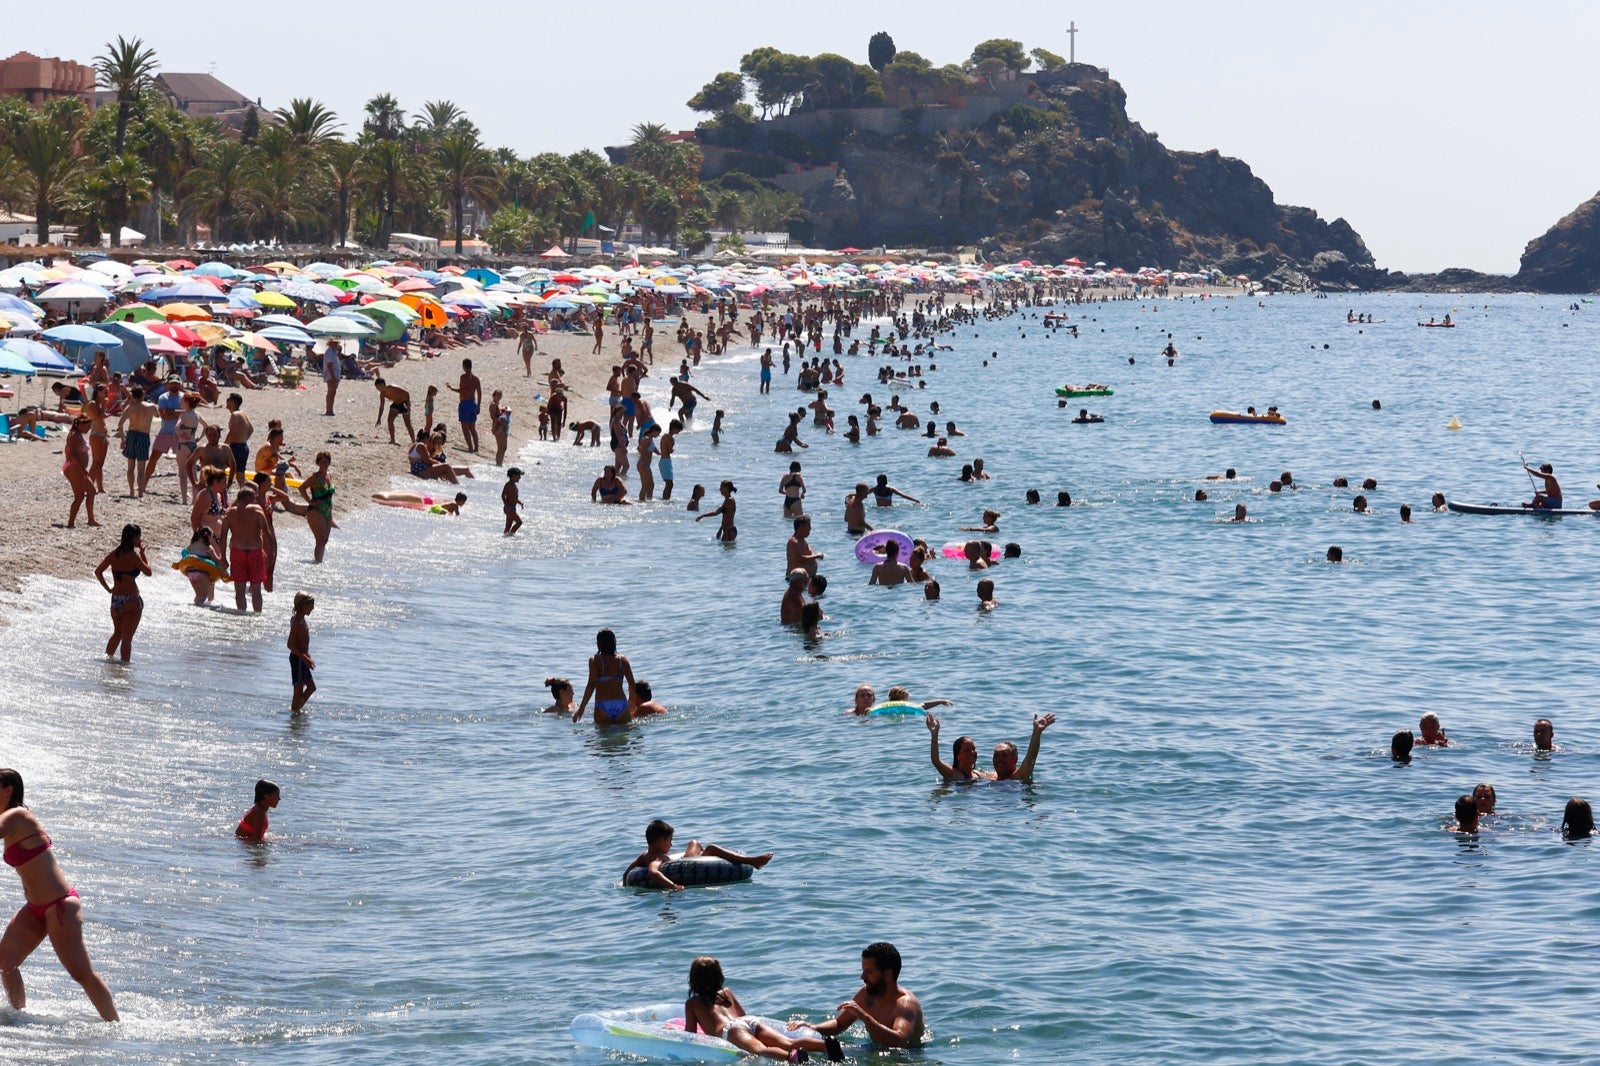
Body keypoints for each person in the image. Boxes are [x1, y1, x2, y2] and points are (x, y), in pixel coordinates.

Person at [0, 768, 119, 1021]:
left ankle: (115, 1025)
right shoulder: (9, 821)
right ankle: (17, 1016)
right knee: (5, 962)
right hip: (34, 909)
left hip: (60, 906)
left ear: (7, 790)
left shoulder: (18, 815)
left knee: (81, 974)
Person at [684, 957, 826, 1063]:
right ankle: (825, 1046)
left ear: (694, 979)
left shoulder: (692, 1003)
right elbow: (741, 1015)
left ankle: (792, 1057)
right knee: (787, 1042)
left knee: (760, 1050)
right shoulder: (727, 992)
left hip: (731, 1031)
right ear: (718, 976)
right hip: (749, 1021)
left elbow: (690, 1035)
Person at [794, 942, 922, 1050]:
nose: (862, 977)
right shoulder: (867, 994)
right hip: (874, 1050)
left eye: (869, 972)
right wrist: (813, 1028)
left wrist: (864, 1016)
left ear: (887, 974)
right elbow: (839, 1024)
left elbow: (900, 1042)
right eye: (863, 971)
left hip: (907, 1058)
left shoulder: (905, 1004)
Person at [625, 820, 772, 893]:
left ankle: (752, 861)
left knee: (696, 844)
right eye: (670, 840)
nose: (671, 844)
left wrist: (626, 881)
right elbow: (653, 872)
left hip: (686, 861)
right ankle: (752, 861)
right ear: (660, 841)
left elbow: (630, 869)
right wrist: (673, 886)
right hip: (689, 865)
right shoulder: (657, 858)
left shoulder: (644, 855)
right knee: (709, 847)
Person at [94, 524, 150, 662]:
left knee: (117, 634)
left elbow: (98, 571)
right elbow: (148, 572)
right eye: (138, 537)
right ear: (133, 538)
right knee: (126, 640)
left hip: (116, 600)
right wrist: (142, 552)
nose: (140, 539)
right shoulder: (133, 555)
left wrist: (108, 589)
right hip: (131, 600)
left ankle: (107, 663)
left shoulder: (114, 554)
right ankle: (124, 674)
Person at [574, 628, 636, 726]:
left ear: (598, 644)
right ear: (614, 642)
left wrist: (581, 708)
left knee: (604, 739)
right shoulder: (623, 660)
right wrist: (631, 702)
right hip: (621, 705)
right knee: (623, 738)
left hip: (602, 705)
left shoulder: (594, 660)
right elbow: (632, 684)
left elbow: (591, 684)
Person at [225, 486, 270, 613]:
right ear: (248, 498)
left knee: (239, 589)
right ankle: (257, 616)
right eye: (255, 497)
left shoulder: (229, 513)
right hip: (255, 552)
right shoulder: (256, 510)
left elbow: (223, 537)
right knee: (256, 590)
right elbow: (267, 533)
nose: (256, 500)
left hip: (237, 552)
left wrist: (222, 556)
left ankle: (241, 617)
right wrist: (270, 552)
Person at [114, 385, 156, 497]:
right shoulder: (151, 406)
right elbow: (159, 415)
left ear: (132, 395)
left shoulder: (130, 408)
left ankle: (131, 490)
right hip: (143, 435)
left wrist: (122, 439)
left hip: (132, 435)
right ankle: (140, 492)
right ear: (142, 394)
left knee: (130, 466)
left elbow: (120, 424)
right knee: (141, 469)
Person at [992, 714, 1057, 782]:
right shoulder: (989, 776)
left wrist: (1037, 733)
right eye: (996, 755)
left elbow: (1030, 758)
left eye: (1004, 755)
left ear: (1015, 759)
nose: (999, 759)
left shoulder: (1019, 775)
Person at [298, 451, 336, 563]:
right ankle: (316, 564)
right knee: (320, 539)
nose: (324, 463)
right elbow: (301, 488)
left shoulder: (329, 475)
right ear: (317, 463)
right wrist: (309, 501)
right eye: (322, 461)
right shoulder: (314, 477)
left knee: (325, 540)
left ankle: (318, 562)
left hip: (328, 510)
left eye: (326, 461)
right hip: (316, 510)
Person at [62, 416, 97, 528]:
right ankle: (71, 523)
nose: (89, 428)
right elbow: (70, 454)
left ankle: (91, 520)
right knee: (79, 496)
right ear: (81, 424)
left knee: (91, 491)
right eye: (88, 425)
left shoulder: (77, 434)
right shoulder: (74, 435)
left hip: (78, 467)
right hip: (73, 467)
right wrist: (81, 468)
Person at [847, 684, 951, 716]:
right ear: (856, 699)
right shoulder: (850, 713)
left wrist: (941, 701)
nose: (866, 698)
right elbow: (923, 705)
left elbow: (923, 705)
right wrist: (941, 701)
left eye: (869, 695)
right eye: (862, 695)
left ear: (874, 699)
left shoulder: (879, 709)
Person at [288, 592, 316, 712]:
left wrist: (306, 656)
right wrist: (304, 657)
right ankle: (295, 714)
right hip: (297, 659)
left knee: (311, 687)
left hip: (302, 658)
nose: (313, 608)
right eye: (311, 605)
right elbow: (290, 644)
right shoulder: (296, 622)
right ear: (303, 605)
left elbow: (301, 643)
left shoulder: (301, 620)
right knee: (298, 689)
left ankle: (296, 710)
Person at [374, 378, 414, 445]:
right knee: (389, 420)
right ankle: (392, 440)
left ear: (382, 385)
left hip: (404, 403)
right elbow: (381, 407)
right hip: (396, 404)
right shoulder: (382, 394)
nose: (377, 389)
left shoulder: (392, 387)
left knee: (407, 424)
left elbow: (407, 393)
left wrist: (409, 405)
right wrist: (379, 418)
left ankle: (413, 441)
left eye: (378, 387)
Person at [322, 340, 343, 416]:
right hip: (331, 375)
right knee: (331, 392)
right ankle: (328, 410)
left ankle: (330, 409)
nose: (336, 344)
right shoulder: (329, 352)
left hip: (334, 374)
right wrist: (333, 376)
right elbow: (329, 365)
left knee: (333, 392)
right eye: (335, 343)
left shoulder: (334, 352)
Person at [503, 467, 524, 535]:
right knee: (519, 522)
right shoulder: (508, 485)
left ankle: (506, 537)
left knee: (508, 526)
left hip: (512, 507)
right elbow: (503, 495)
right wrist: (506, 505)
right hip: (509, 508)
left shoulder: (514, 486)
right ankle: (511, 535)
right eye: (518, 476)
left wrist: (520, 503)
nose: (520, 478)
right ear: (513, 476)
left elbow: (514, 498)